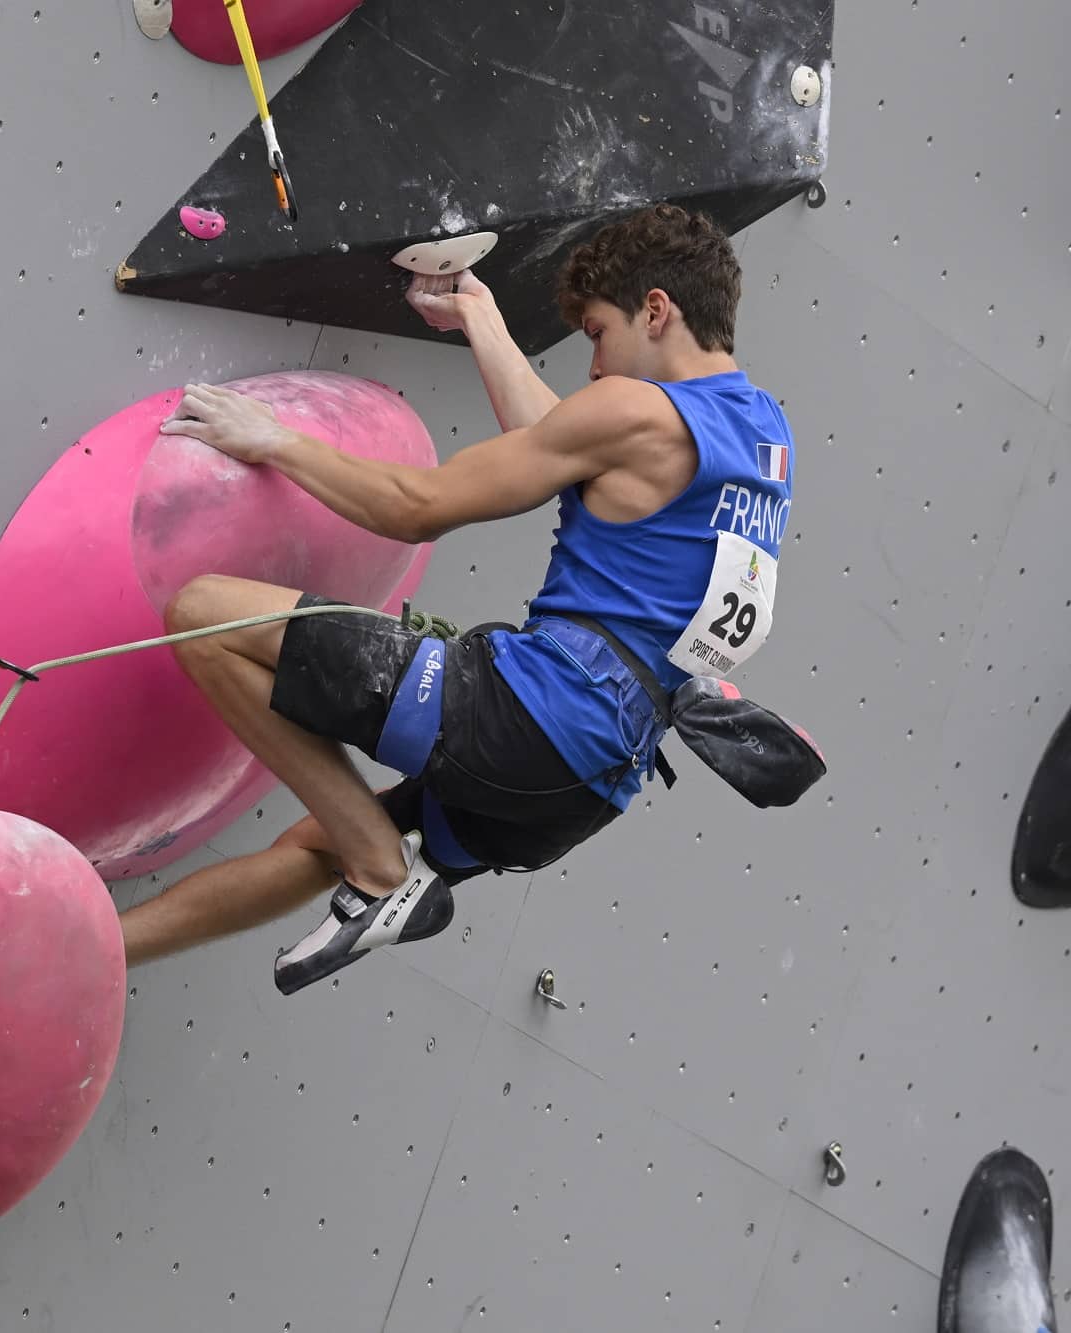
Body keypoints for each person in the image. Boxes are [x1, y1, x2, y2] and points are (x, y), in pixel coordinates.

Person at [117, 203, 797, 994]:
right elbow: (571, 445)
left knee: (206, 616)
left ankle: (377, 866)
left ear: (656, 309)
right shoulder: (761, 436)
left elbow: (417, 504)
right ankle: (103, 950)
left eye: (599, 336)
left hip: (529, 717)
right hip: (585, 786)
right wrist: (482, 317)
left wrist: (276, 440)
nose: (596, 370)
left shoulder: (634, 411)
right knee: (316, 845)